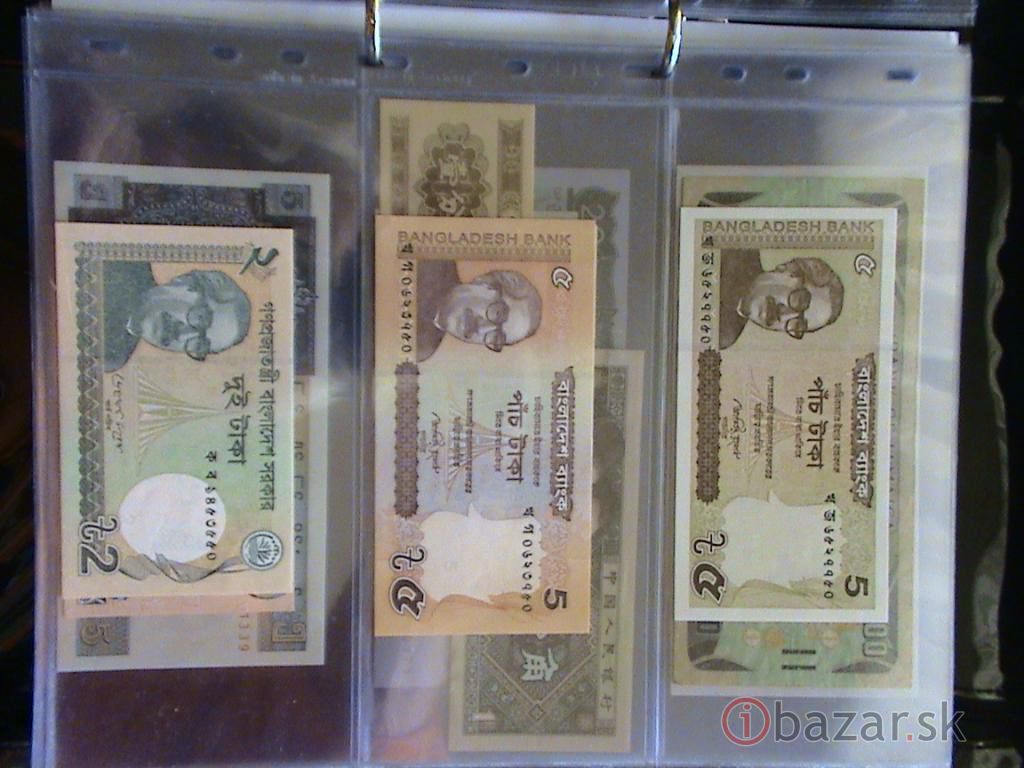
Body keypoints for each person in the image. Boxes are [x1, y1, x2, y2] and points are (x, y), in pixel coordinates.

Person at [103, 263, 251, 372]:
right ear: (186, 282)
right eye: (200, 318)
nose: (182, 334)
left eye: (199, 345)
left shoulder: (112, 357)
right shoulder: (122, 260)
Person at [415, 261, 542, 362]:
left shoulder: (422, 348)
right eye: (497, 314)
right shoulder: (432, 260)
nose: (481, 329)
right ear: (485, 283)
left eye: (496, 338)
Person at [718, 251, 844, 350]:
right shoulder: (736, 247)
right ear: (787, 270)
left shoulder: (724, 335)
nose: (783, 315)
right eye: (799, 301)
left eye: (797, 325)